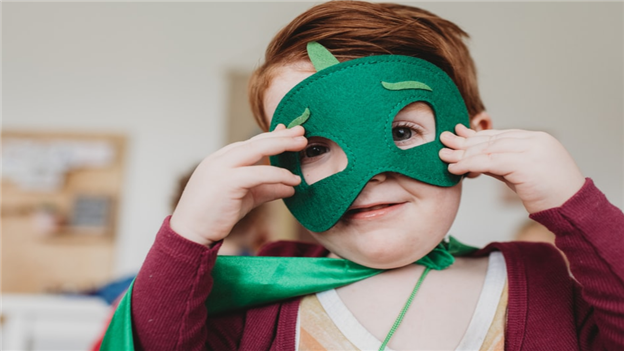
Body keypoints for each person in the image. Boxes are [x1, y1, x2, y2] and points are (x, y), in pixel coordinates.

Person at [101, 1, 624, 350]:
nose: (368, 176)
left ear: (477, 140)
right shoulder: (259, 290)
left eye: (402, 133)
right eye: (315, 148)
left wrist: (576, 205)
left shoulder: (545, 281)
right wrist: (187, 236)